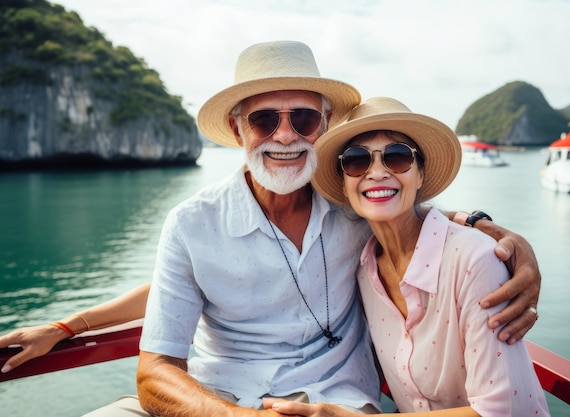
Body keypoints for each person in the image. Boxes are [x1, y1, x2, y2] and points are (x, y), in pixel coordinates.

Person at [0, 41, 540, 416]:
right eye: (264, 120)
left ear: (324, 127)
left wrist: (500, 237)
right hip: (208, 400)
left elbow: (414, 209)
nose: (285, 135)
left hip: (334, 402)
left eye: (303, 119)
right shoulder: (192, 224)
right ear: (238, 130)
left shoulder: (353, 203)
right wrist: (70, 325)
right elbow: (157, 362)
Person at [268, 97, 549, 416]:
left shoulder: (475, 259)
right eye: (357, 161)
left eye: (397, 157)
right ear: (346, 183)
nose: (376, 173)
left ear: (421, 175)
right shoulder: (365, 268)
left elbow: (502, 410)